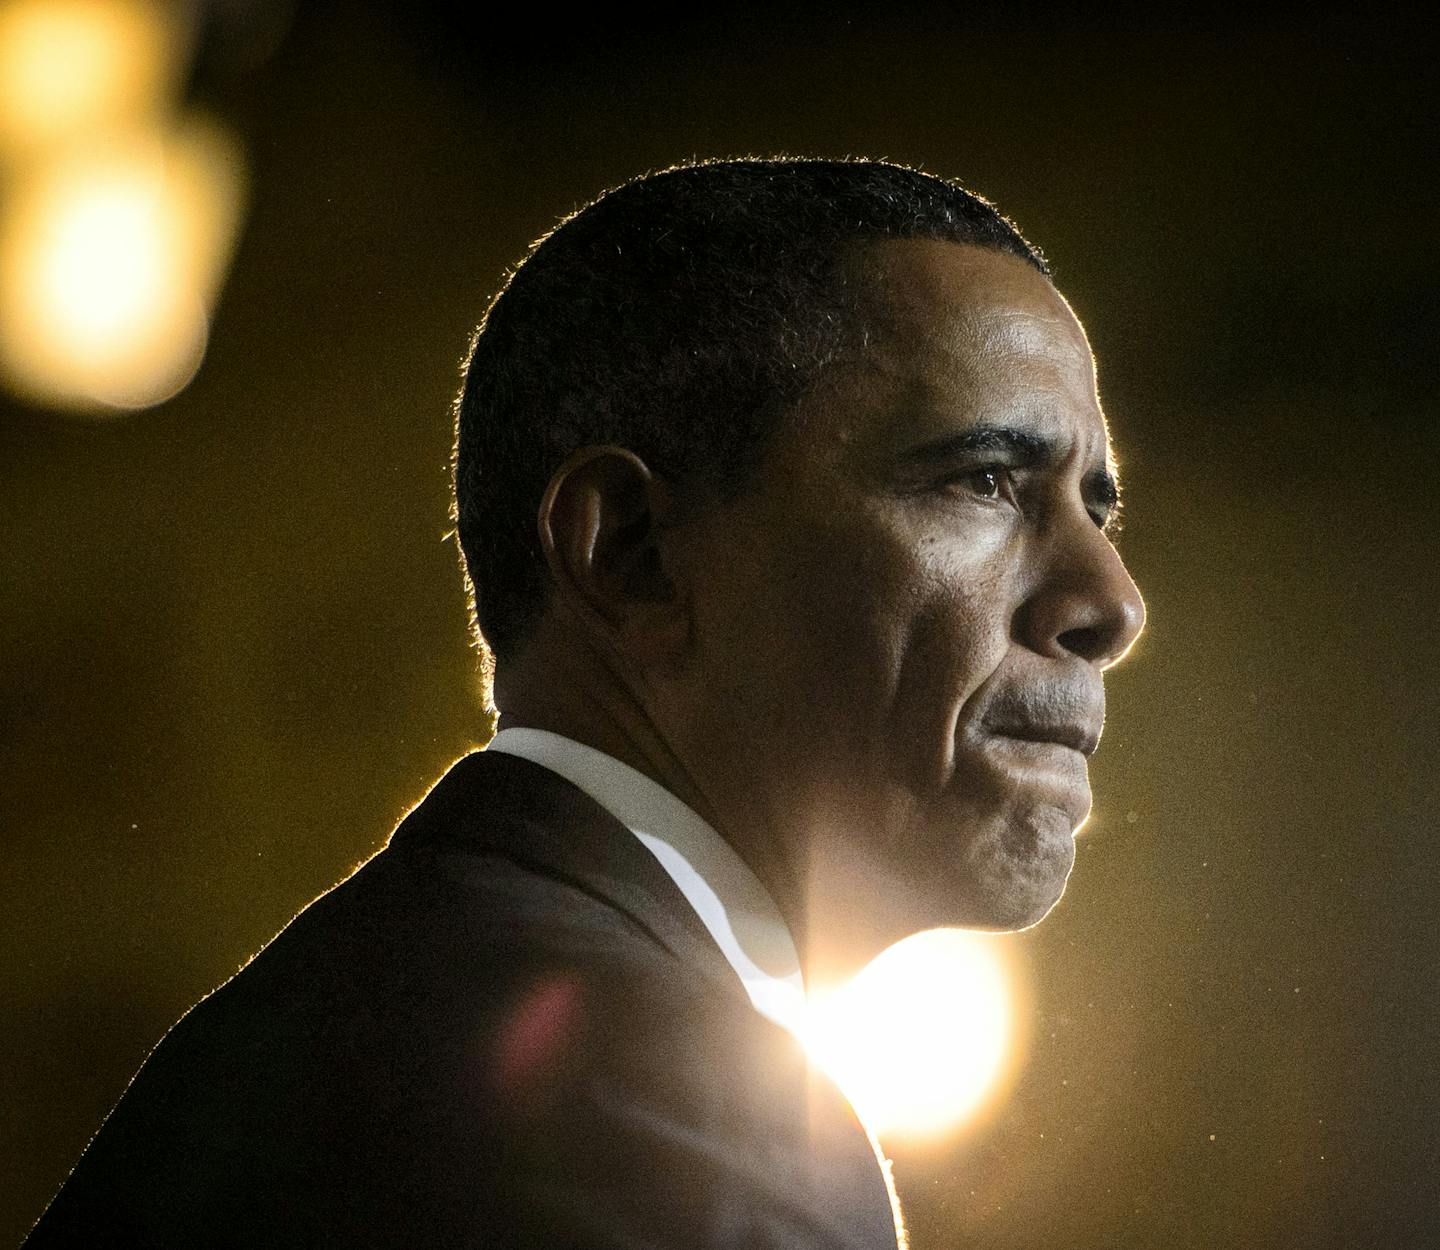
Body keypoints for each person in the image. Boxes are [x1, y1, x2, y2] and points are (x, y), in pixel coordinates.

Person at [26, 158, 1144, 1248]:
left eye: (1100, 511)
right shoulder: (660, 1102)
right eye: (985, 479)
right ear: (632, 554)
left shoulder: (301, 1034)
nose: (1110, 601)